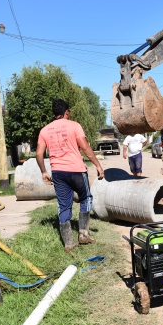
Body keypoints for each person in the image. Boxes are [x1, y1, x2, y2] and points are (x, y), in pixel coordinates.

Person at [36, 99, 104, 252]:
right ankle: (83, 235)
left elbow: (39, 154)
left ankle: (68, 243)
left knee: (63, 205)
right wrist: (98, 166)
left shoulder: (45, 130)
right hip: (77, 171)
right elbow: (85, 147)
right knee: (86, 198)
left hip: (58, 173)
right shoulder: (75, 126)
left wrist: (44, 172)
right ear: (66, 112)